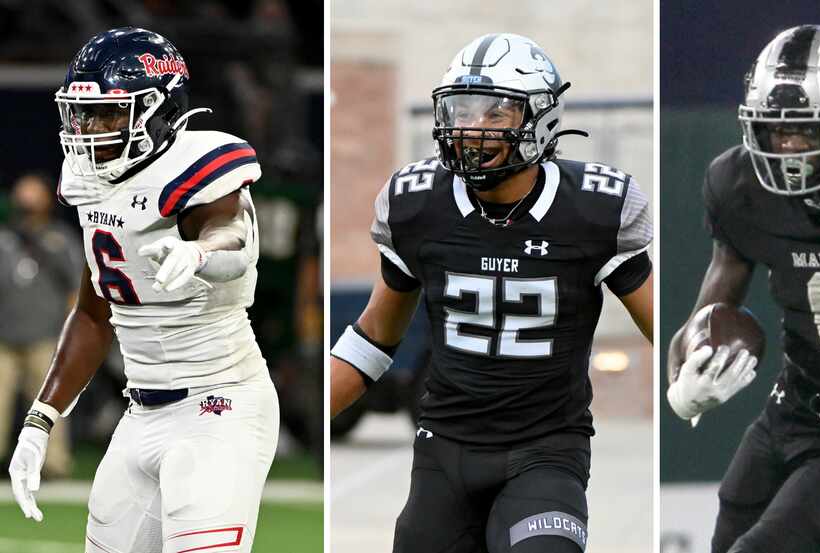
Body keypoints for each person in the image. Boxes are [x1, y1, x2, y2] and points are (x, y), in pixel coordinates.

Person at [331, 33, 653, 553]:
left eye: (493, 114)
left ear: (539, 120)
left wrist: (695, 359)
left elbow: (665, 327)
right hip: (445, 453)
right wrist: (272, 424)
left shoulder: (593, 210)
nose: (470, 129)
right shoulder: (418, 205)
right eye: (461, 110)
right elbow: (373, 339)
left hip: (546, 451)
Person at [6, 27, 279, 553]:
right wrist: (41, 418)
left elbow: (231, 236)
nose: (91, 130)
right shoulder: (89, 182)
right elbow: (91, 313)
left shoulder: (199, 167)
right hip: (141, 413)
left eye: (108, 114)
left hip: (220, 405)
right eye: (83, 115)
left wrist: (198, 252)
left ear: (156, 110)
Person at [666, 24, 820, 553]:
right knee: (731, 526)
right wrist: (683, 385)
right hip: (799, 402)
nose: (787, 148)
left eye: (804, 132)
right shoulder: (739, 187)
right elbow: (710, 312)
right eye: (774, 131)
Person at [0, 172, 83, 477]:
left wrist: (71, 334)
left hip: (46, 338)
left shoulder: (60, 240)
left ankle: (54, 465)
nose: (27, 203)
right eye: (22, 196)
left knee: (49, 407)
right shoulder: (4, 240)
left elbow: (76, 289)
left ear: (47, 200)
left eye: (33, 196)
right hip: (4, 339)